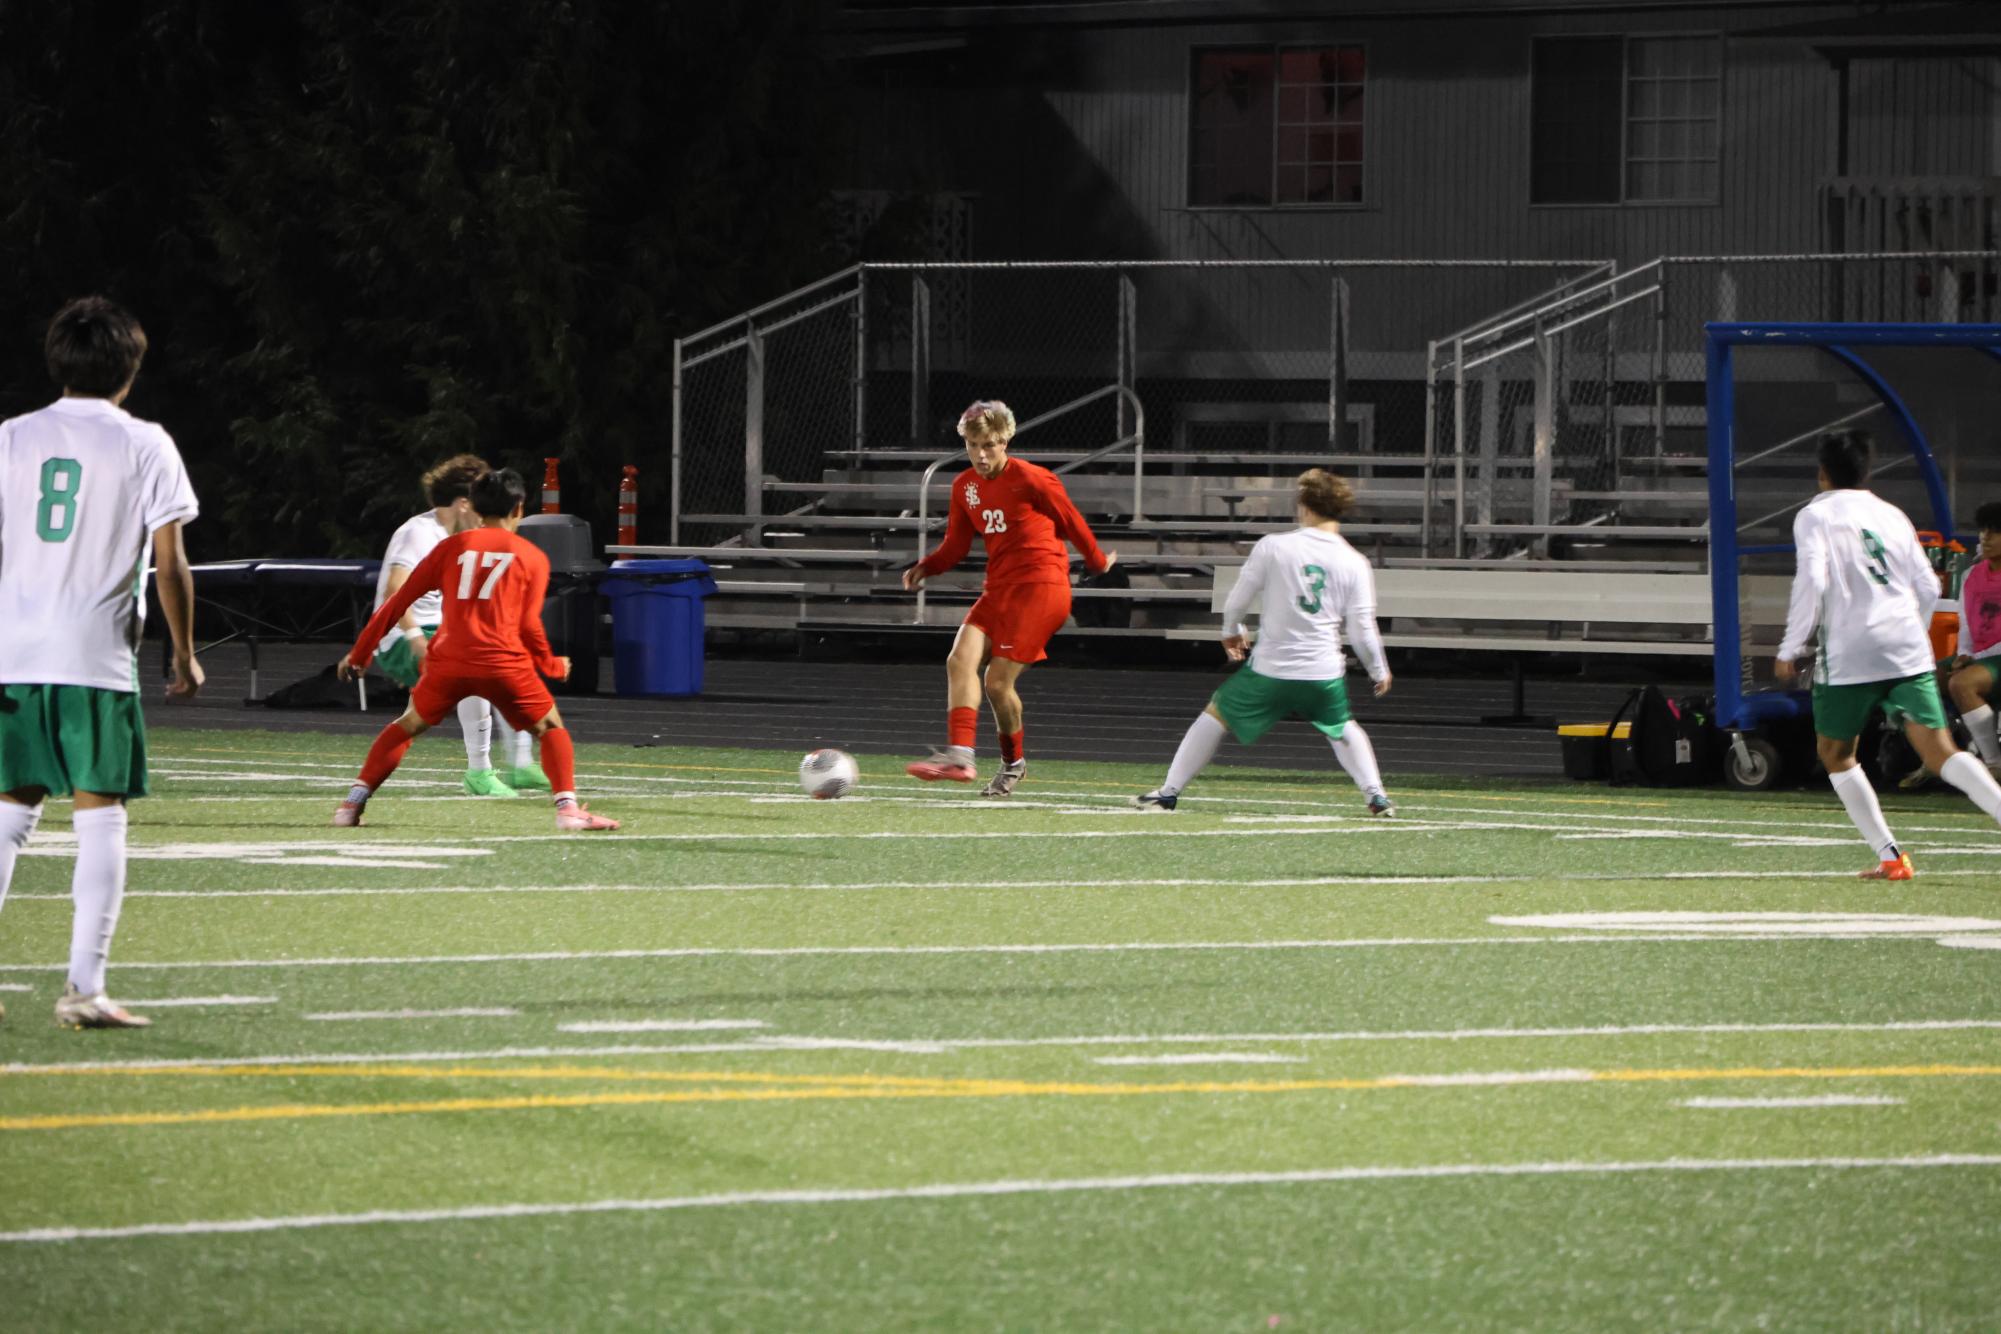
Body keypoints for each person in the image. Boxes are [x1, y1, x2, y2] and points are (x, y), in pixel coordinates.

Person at [0, 296, 202, 1029]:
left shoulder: (11, 437)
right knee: (101, 818)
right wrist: (182, 653)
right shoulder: (144, 442)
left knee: (9, 813)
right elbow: (171, 563)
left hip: (13, 653)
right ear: (130, 367)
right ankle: (84, 988)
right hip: (93, 653)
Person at [334, 468, 618, 831]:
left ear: (477, 509)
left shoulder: (451, 546)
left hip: (449, 660)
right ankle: (567, 810)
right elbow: (528, 624)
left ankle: (350, 805)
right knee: (550, 726)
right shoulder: (532, 556)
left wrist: (360, 654)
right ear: (518, 508)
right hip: (502, 662)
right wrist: (549, 663)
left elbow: (395, 602)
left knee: (407, 725)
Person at [1774, 431, 2001, 879]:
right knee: (1943, 752)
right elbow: (1929, 586)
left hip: (1851, 651)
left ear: (1822, 474)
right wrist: (1912, 634)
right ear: (1867, 472)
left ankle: (1891, 856)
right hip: (1905, 649)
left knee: (1836, 754)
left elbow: (1812, 582)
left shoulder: (1814, 516)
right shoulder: (1891, 513)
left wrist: (1791, 645)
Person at [1134, 469, 1393, 816]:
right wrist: (1379, 669)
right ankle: (1376, 795)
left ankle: (1168, 793)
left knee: (1216, 713)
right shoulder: (1355, 561)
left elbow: (1240, 597)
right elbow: (1362, 626)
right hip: (1322, 671)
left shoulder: (1274, 546)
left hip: (1272, 669)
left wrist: (1232, 629)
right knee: (1342, 726)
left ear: (1304, 505)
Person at [901, 399, 1116, 796]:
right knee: (959, 659)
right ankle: (960, 757)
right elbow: (956, 546)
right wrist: (926, 566)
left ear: (1006, 440)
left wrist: (1099, 562)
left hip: (1042, 587)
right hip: (1000, 587)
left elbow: (1072, 522)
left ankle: (1013, 765)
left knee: (997, 683)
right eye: (973, 445)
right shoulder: (964, 486)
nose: (982, 455)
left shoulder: (1033, 479)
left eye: (990, 445)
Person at [372, 454, 524, 798]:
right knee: (477, 668)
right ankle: (483, 771)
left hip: (440, 634)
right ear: (464, 503)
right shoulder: (420, 532)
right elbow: (393, 591)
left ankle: (362, 788)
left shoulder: (467, 538)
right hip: (402, 637)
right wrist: (414, 640)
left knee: (414, 720)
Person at [1943, 501, 2001, 772]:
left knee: (1962, 684)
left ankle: (1993, 764)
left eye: (1995, 531)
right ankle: (1941, 755)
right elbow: (1966, 622)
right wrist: (1964, 652)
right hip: (1979, 657)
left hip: (1996, 657)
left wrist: (1977, 659)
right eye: (1983, 530)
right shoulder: (1971, 575)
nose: (1985, 537)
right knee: (1918, 681)